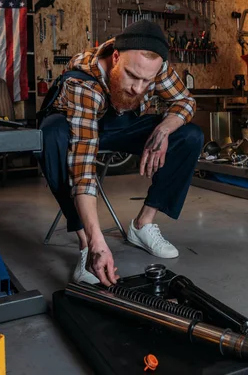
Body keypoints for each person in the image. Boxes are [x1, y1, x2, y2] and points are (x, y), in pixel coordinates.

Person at [38, 20, 203, 286]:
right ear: (115, 57)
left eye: (146, 81)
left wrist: (164, 129)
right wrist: (96, 241)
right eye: (132, 76)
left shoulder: (156, 66)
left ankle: (143, 225)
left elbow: (185, 101)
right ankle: (84, 244)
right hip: (75, 126)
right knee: (51, 135)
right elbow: (82, 166)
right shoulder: (84, 81)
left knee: (190, 135)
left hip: (122, 124)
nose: (138, 88)